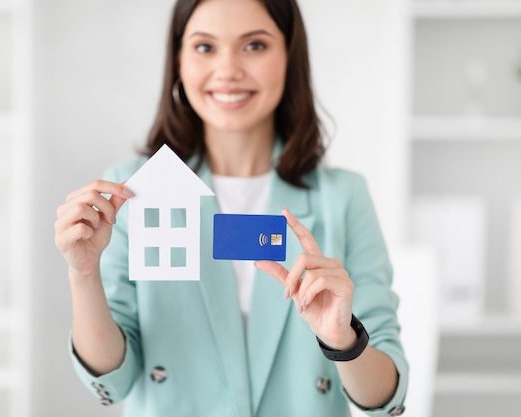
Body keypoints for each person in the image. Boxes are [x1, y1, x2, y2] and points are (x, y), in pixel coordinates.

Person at [54, 0, 408, 416]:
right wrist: (83, 274)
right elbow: (114, 381)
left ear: (290, 56)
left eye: (254, 45)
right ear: (179, 60)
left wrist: (343, 339)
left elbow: (385, 398)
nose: (228, 70)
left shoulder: (343, 197)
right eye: (205, 47)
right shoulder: (131, 192)